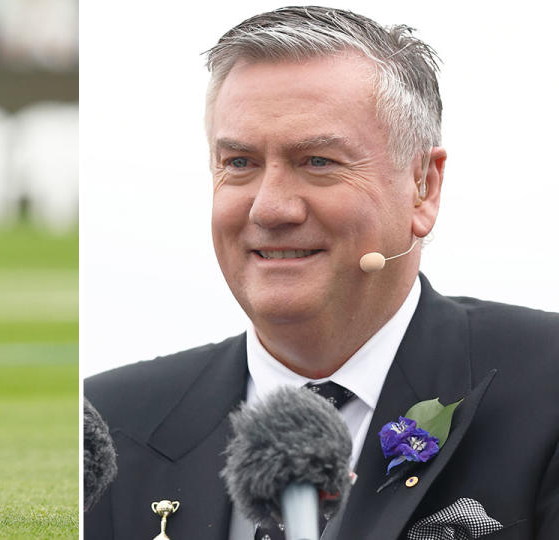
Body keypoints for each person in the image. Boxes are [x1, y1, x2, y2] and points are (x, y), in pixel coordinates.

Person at [84, 6, 559, 539]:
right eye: (240, 163)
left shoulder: (547, 384)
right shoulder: (108, 422)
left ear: (423, 186)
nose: (270, 208)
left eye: (317, 162)